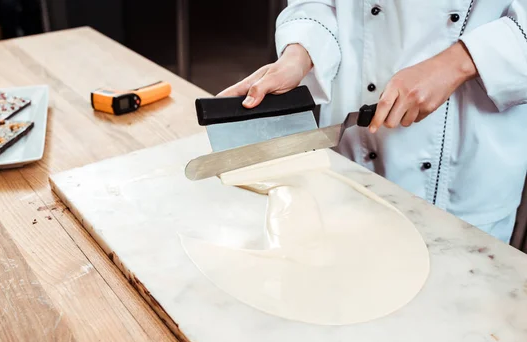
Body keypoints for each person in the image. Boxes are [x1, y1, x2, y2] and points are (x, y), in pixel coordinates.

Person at [219, 1, 527, 244]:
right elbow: (319, 3)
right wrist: (298, 55)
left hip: (464, 168)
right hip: (350, 155)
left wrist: (457, 63)